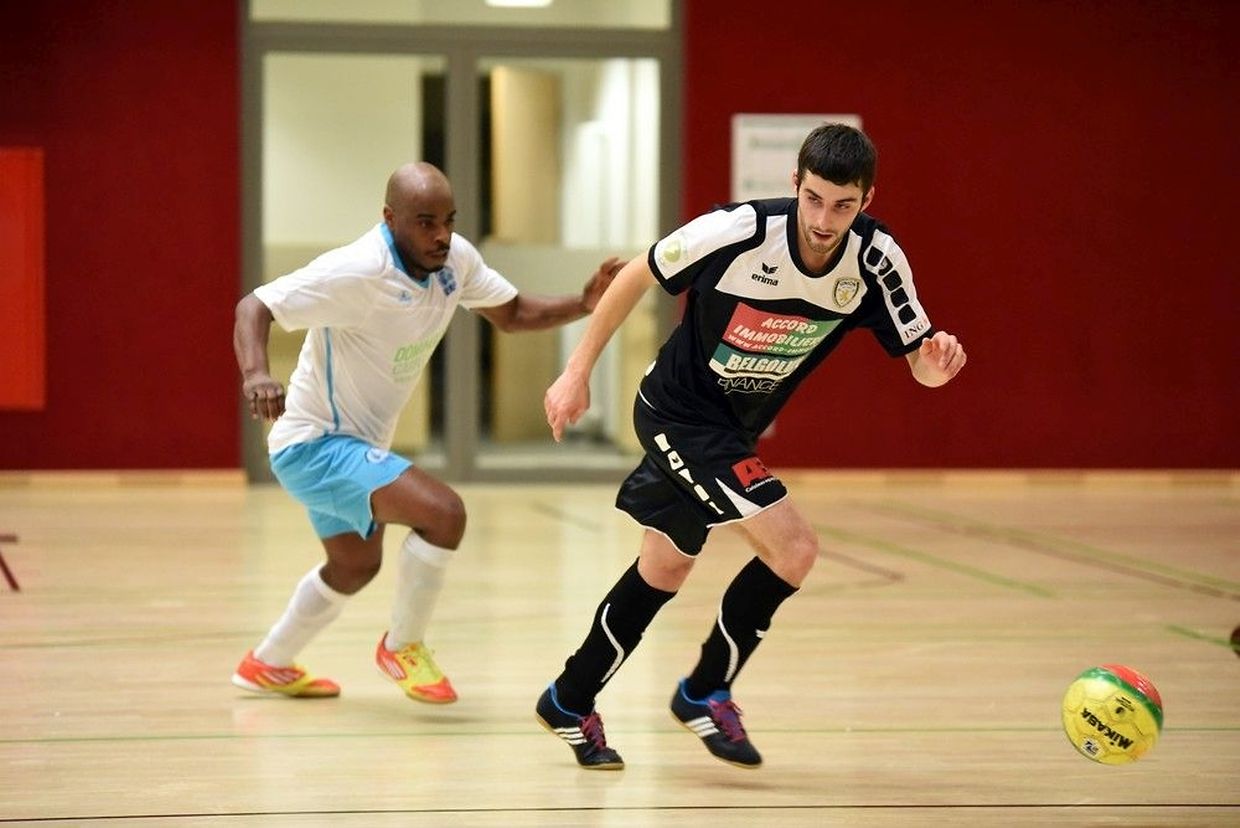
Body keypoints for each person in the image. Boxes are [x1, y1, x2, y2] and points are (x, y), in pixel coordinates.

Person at [535, 123, 966, 769]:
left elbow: (921, 365)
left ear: (866, 200)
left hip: (732, 430)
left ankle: (569, 698)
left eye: (843, 205)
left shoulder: (875, 260)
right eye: (814, 199)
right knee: (795, 546)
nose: (825, 220)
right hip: (676, 414)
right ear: (795, 184)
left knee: (666, 565)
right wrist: (576, 373)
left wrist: (939, 363)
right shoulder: (735, 232)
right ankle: (704, 691)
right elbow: (634, 276)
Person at [231, 161, 620, 704]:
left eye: (449, 220)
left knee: (354, 565)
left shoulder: (455, 261)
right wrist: (256, 374)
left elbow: (512, 314)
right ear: (390, 218)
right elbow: (255, 306)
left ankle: (267, 662)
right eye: (424, 222)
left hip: (355, 447)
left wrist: (583, 304)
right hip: (314, 445)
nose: (441, 234)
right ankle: (403, 646)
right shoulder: (357, 271)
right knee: (444, 513)